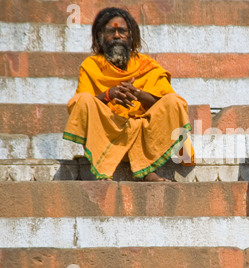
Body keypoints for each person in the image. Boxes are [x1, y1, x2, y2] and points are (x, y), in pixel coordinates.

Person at [63, 7, 194, 181]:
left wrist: (138, 94)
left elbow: (165, 103)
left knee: (174, 102)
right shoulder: (91, 65)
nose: (117, 35)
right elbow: (80, 107)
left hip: (145, 136)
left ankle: (147, 169)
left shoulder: (147, 65)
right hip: (108, 135)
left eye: (122, 31)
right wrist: (109, 95)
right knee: (82, 100)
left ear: (131, 36)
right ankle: (103, 168)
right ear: (101, 37)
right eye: (111, 31)